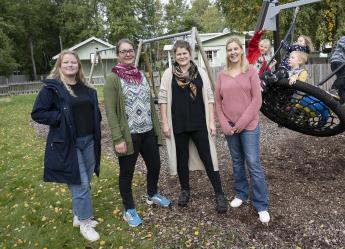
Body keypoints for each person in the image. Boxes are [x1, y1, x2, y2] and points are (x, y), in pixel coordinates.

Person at [31, 50, 102, 242]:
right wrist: (60, 117)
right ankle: (85, 222)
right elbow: (38, 113)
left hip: (88, 140)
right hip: (68, 143)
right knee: (80, 183)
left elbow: (94, 111)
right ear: (60, 66)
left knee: (86, 179)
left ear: (78, 65)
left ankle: (79, 215)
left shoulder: (87, 88)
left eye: (74, 62)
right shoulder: (52, 89)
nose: (70, 65)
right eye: (66, 62)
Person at [103, 39, 170, 228]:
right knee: (127, 173)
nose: (128, 54)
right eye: (123, 51)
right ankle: (128, 209)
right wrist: (118, 138)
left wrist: (156, 129)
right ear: (117, 54)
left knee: (155, 165)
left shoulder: (140, 74)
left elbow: (149, 104)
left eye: (130, 51)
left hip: (147, 131)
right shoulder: (113, 79)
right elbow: (110, 111)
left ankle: (152, 194)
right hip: (128, 135)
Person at [158, 40, 227, 213]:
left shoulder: (200, 72)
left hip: (199, 122)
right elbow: (163, 99)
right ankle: (185, 190)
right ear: (175, 56)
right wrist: (165, 124)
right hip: (178, 123)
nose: (182, 56)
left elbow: (210, 98)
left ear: (190, 54)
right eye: (178, 54)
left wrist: (211, 121)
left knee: (208, 158)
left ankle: (219, 193)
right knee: (182, 159)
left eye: (184, 53)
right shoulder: (169, 74)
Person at [215, 37, 270, 224]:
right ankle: (241, 193)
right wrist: (223, 123)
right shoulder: (222, 75)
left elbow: (257, 101)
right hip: (230, 127)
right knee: (237, 161)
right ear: (227, 52)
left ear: (241, 50)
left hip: (249, 127)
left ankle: (261, 204)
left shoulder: (251, 71)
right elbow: (218, 102)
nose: (233, 52)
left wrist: (241, 123)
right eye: (229, 49)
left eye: (236, 49)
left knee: (253, 164)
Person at [288, 51, 330, 127]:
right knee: (293, 111)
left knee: (300, 111)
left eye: (292, 57)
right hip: (290, 97)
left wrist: (295, 77)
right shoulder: (287, 71)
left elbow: (301, 82)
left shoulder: (302, 72)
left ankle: (304, 123)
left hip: (300, 98)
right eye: (289, 57)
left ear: (300, 61)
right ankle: (294, 121)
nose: (289, 59)